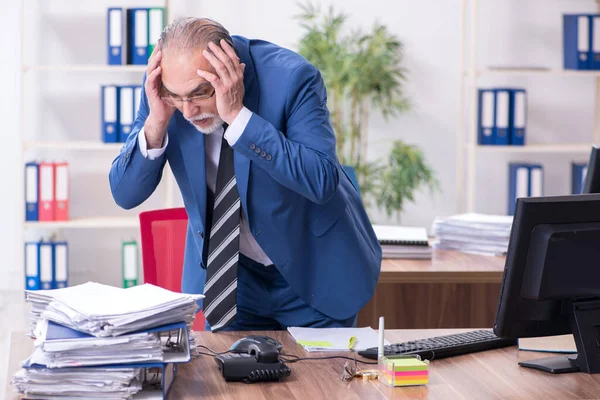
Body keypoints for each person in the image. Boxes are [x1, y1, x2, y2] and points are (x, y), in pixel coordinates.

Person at [109, 17, 382, 332]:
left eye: (200, 93)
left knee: (323, 381)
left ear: (229, 68)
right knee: (227, 380)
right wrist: (156, 121)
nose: (187, 111)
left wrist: (239, 118)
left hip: (314, 272)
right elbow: (125, 193)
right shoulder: (165, 92)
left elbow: (321, 180)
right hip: (231, 279)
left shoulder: (293, 79)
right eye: (176, 97)